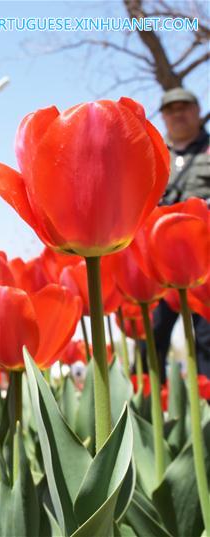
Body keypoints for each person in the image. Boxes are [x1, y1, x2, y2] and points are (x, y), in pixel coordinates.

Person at [145, 87, 210, 381]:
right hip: (161, 259)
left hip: (205, 259)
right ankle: (151, 401)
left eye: (184, 107)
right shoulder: (154, 153)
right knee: (152, 333)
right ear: (163, 117)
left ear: (198, 112)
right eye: (171, 110)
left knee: (206, 336)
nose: (178, 114)